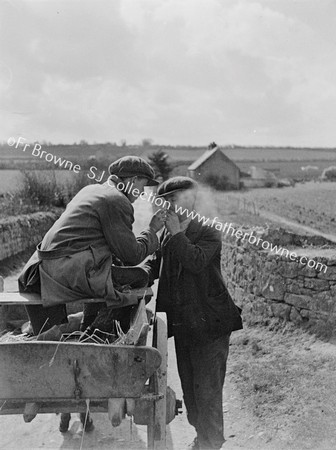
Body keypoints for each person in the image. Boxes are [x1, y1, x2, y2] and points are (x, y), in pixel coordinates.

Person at [18, 155, 166, 432]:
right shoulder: (116, 200)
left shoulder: (91, 190)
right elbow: (131, 253)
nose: (140, 195)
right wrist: (152, 231)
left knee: (115, 277)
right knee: (140, 276)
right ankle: (98, 334)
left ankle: (76, 332)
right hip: (65, 271)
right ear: (131, 181)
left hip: (38, 271)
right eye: (142, 186)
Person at [143, 176, 243, 450]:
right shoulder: (168, 232)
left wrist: (175, 234)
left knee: (208, 393)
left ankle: (211, 444)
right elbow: (154, 265)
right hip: (184, 326)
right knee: (191, 392)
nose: (166, 208)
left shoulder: (209, 229)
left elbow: (196, 261)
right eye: (163, 203)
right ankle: (202, 439)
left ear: (190, 200)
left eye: (172, 201)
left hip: (210, 325)